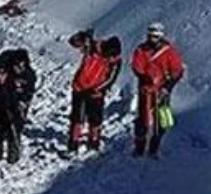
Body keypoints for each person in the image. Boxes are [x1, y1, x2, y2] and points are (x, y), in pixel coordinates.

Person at [131, 22, 185, 158]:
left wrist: (168, 86)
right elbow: (137, 66)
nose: (151, 39)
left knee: (163, 119)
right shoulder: (141, 50)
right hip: (146, 90)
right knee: (142, 119)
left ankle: (155, 146)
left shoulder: (170, 52)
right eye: (150, 36)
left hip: (162, 91)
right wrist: (144, 78)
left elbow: (177, 70)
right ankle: (139, 147)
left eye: (155, 36)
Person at [67, 29, 122, 155]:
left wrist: (98, 89)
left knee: (95, 118)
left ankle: (94, 141)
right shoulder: (93, 46)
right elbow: (73, 42)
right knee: (77, 117)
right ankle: (73, 144)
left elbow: (111, 78)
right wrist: (82, 36)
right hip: (80, 87)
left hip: (96, 91)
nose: (110, 58)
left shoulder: (115, 60)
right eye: (109, 55)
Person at [0, 48, 36, 164]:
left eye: (22, 66)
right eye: (17, 65)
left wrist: (22, 103)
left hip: (16, 101)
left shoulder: (29, 75)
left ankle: (14, 152)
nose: (19, 68)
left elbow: (29, 92)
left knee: (15, 125)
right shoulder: (0, 66)